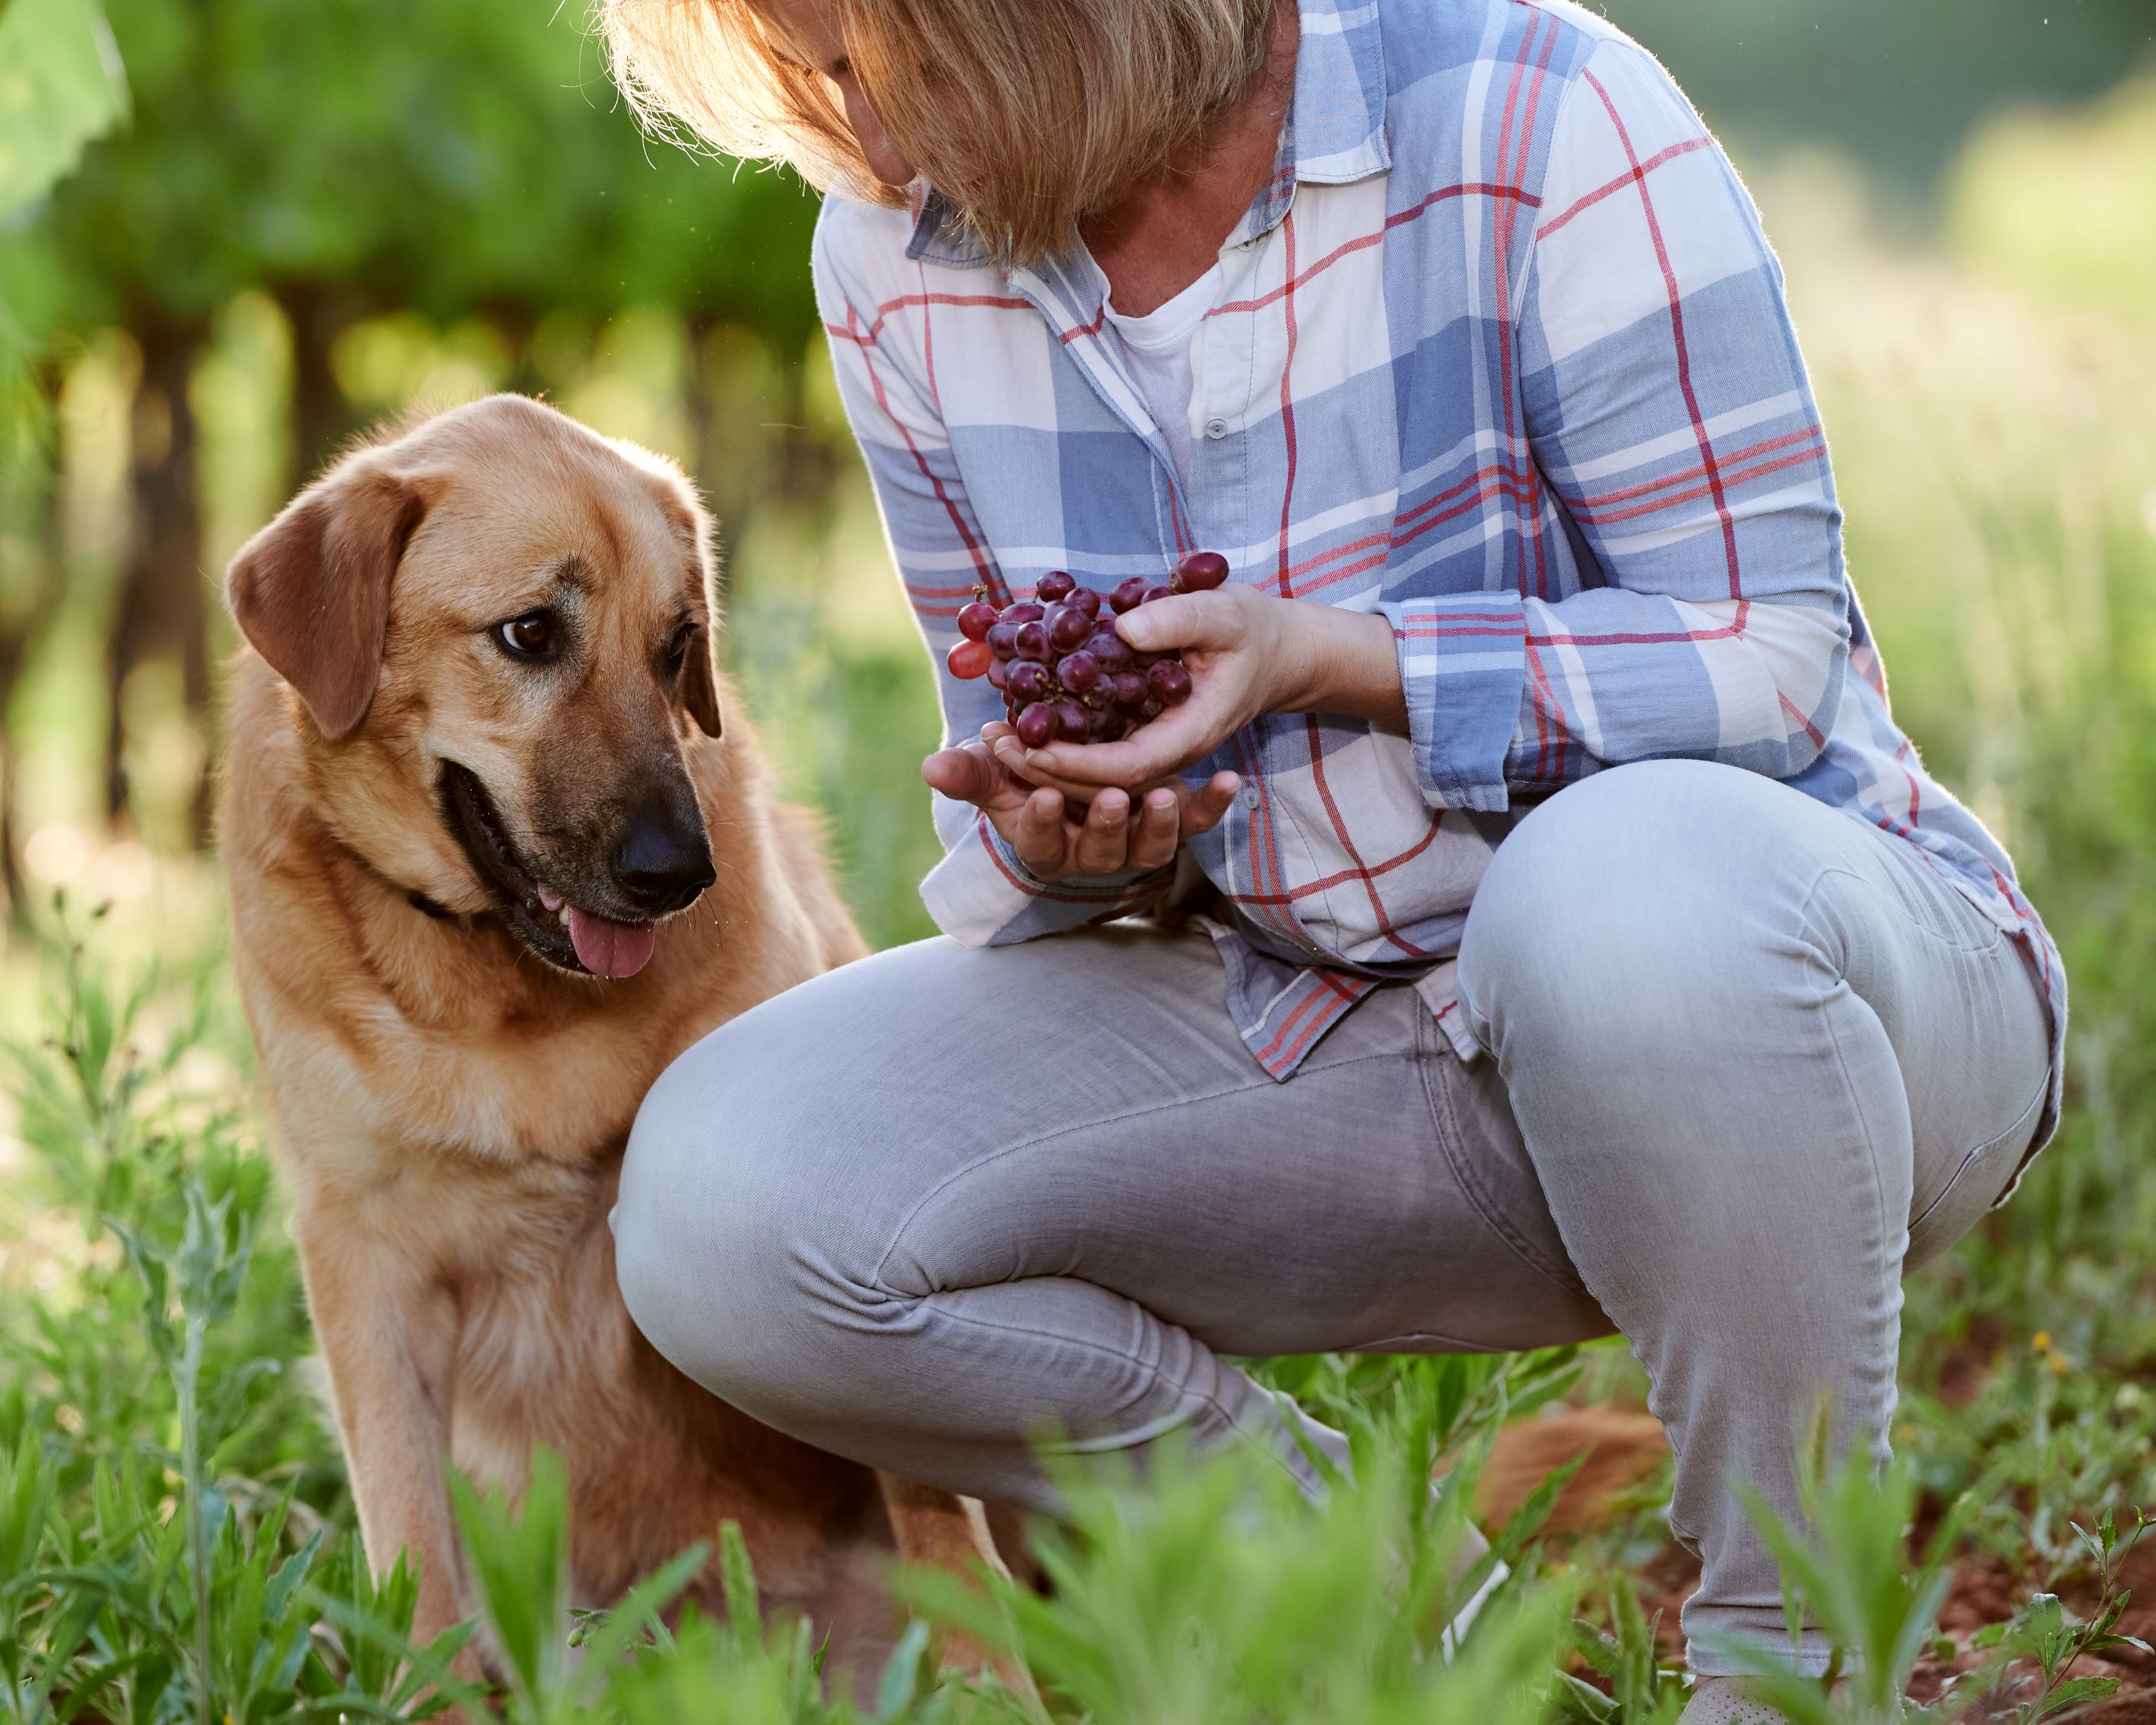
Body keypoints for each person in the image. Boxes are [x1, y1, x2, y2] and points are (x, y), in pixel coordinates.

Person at [595, 0, 2063, 1714]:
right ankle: (1359, 1600)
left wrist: (1344, 657)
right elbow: (1019, 778)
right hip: (1338, 1028)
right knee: (723, 1203)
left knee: (1612, 900)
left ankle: (1789, 1664)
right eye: (807, 88)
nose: (868, 144)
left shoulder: (1536, 111)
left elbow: (1764, 659)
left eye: (867, 66)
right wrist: (1075, 842)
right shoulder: (893, 258)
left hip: (1808, 1024)